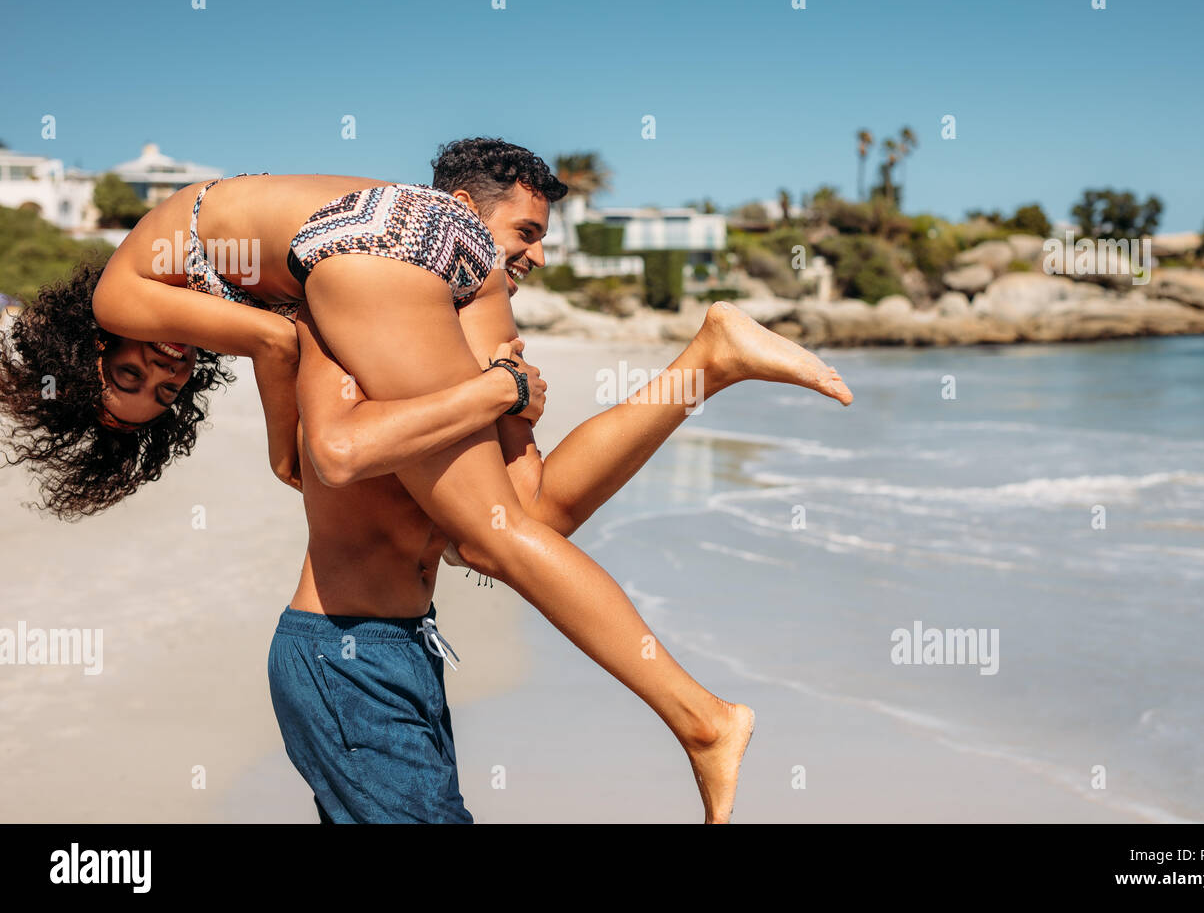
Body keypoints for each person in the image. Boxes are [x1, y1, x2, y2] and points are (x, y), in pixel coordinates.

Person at [1, 140, 853, 820]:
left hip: (360, 240)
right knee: (531, 510)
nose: (163, 374)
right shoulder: (219, 268)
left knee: (492, 534)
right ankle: (709, 361)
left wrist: (281, 450)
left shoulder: (119, 300)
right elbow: (292, 323)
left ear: (88, 355)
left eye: (129, 381)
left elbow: (280, 345)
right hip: (427, 237)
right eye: (163, 394)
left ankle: (703, 722)